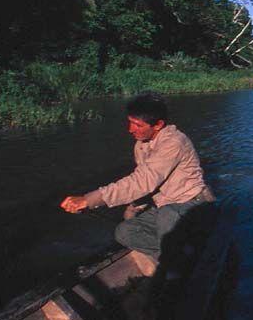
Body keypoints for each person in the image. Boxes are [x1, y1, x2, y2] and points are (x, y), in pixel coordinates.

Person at [60, 92, 215, 260]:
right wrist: (133, 208)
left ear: (158, 125)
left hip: (194, 204)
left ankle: (175, 265)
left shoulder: (174, 142)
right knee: (124, 231)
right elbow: (143, 183)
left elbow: (143, 181)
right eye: (130, 123)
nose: (130, 129)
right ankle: (175, 257)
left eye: (138, 125)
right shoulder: (141, 145)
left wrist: (88, 200)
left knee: (167, 216)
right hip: (165, 206)